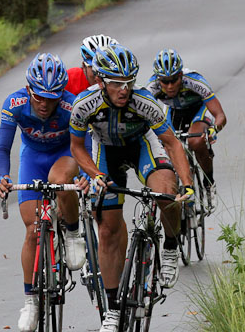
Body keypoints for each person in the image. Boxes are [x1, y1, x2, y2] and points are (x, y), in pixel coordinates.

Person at [69, 44, 193, 332]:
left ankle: (172, 246)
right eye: (115, 84)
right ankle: (112, 309)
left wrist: (186, 184)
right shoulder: (83, 104)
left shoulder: (145, 101)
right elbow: (76, 147)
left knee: (166, 192)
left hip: (141, 146)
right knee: (109, 230)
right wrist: (95, 174)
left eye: (129, 83)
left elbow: (172, 143)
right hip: (106, 152)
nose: (123, 90)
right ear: (100, 81)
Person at [0, 53, 87, 332]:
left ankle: (72, 232)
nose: (45, 104)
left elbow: (86, 147)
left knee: (60, 180)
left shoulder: (72, 106)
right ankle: (31, 301)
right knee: (33, 230)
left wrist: (87, 177)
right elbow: (2, 148)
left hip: (64, 154)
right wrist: (3, 177)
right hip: (33, 157)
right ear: (29, 89)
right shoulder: (15, 103)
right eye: (39, 97)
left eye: (52, 97)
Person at [146, 48, 227, 207]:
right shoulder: (152, 88)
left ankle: (208, 183)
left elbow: (220, 116)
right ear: (158, 79)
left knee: (196, 141)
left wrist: (214, 129)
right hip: (173, 112)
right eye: (164, 81)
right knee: (167, 145)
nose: (169, 86)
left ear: (181, 75)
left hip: (198, 110)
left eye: (174, 80)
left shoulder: (194, 81)